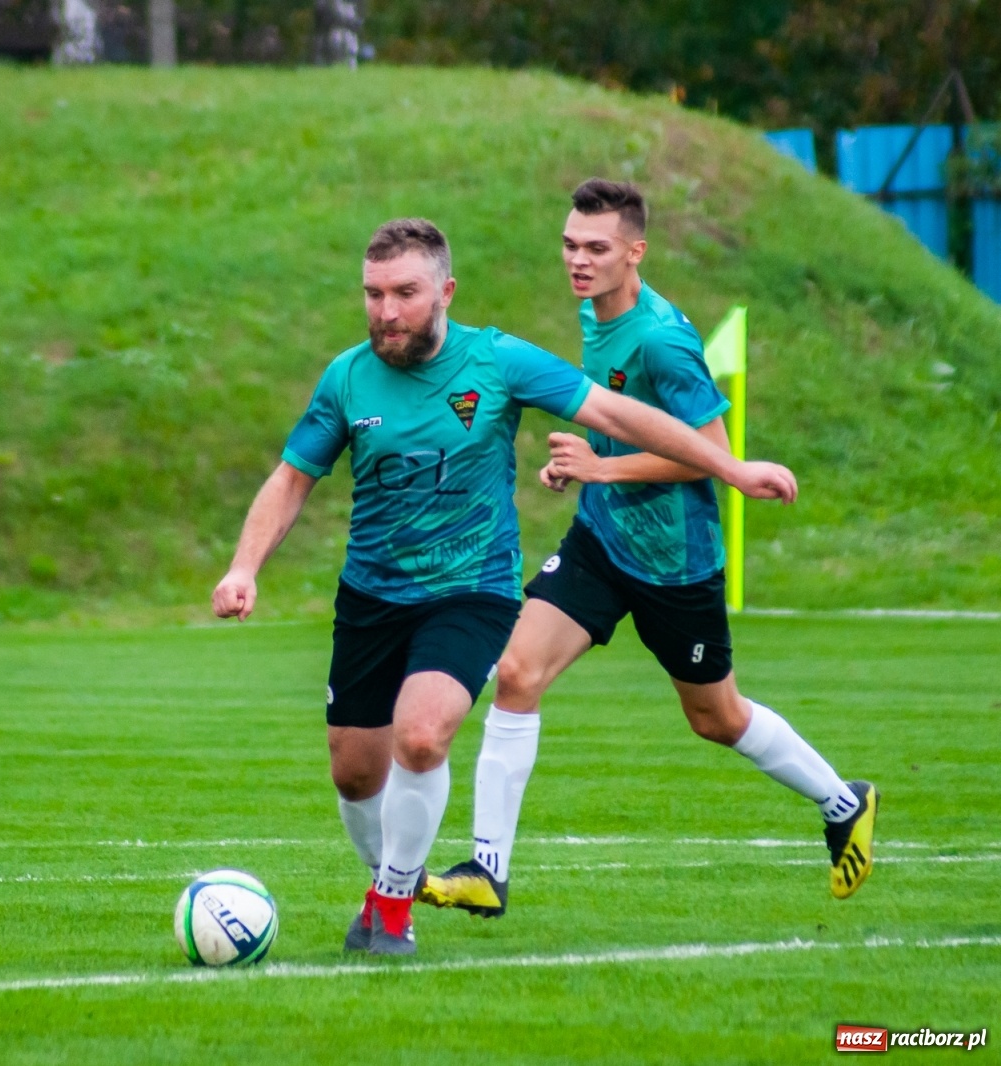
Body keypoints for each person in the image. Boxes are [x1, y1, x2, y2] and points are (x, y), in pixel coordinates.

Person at [212, 219, 797, 956]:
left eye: (404, 293)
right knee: (356, 772)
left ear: (445, 292)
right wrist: (244, 566)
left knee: (422, 738)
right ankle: (389, 881)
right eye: (372, 294)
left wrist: (732, 469)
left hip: (471, 593)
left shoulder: (496, 361)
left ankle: (392, 905)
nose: (385, 311)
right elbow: (293, 476)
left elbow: (618, 413)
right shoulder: (348, 377)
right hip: (371, 597)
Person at [421, 180, 876, 922]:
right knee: (517, 670)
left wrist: (601, 465)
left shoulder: (662, 337)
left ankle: (841, 801)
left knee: (716, 718)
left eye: (596, 248)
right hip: (603, 538)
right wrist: (582, 461)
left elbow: (708, 455)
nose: (578, 259)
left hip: (675, 561)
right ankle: (487, 869)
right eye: (570, 244)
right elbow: (614, 418)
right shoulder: (592, 311)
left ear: (636, 251)